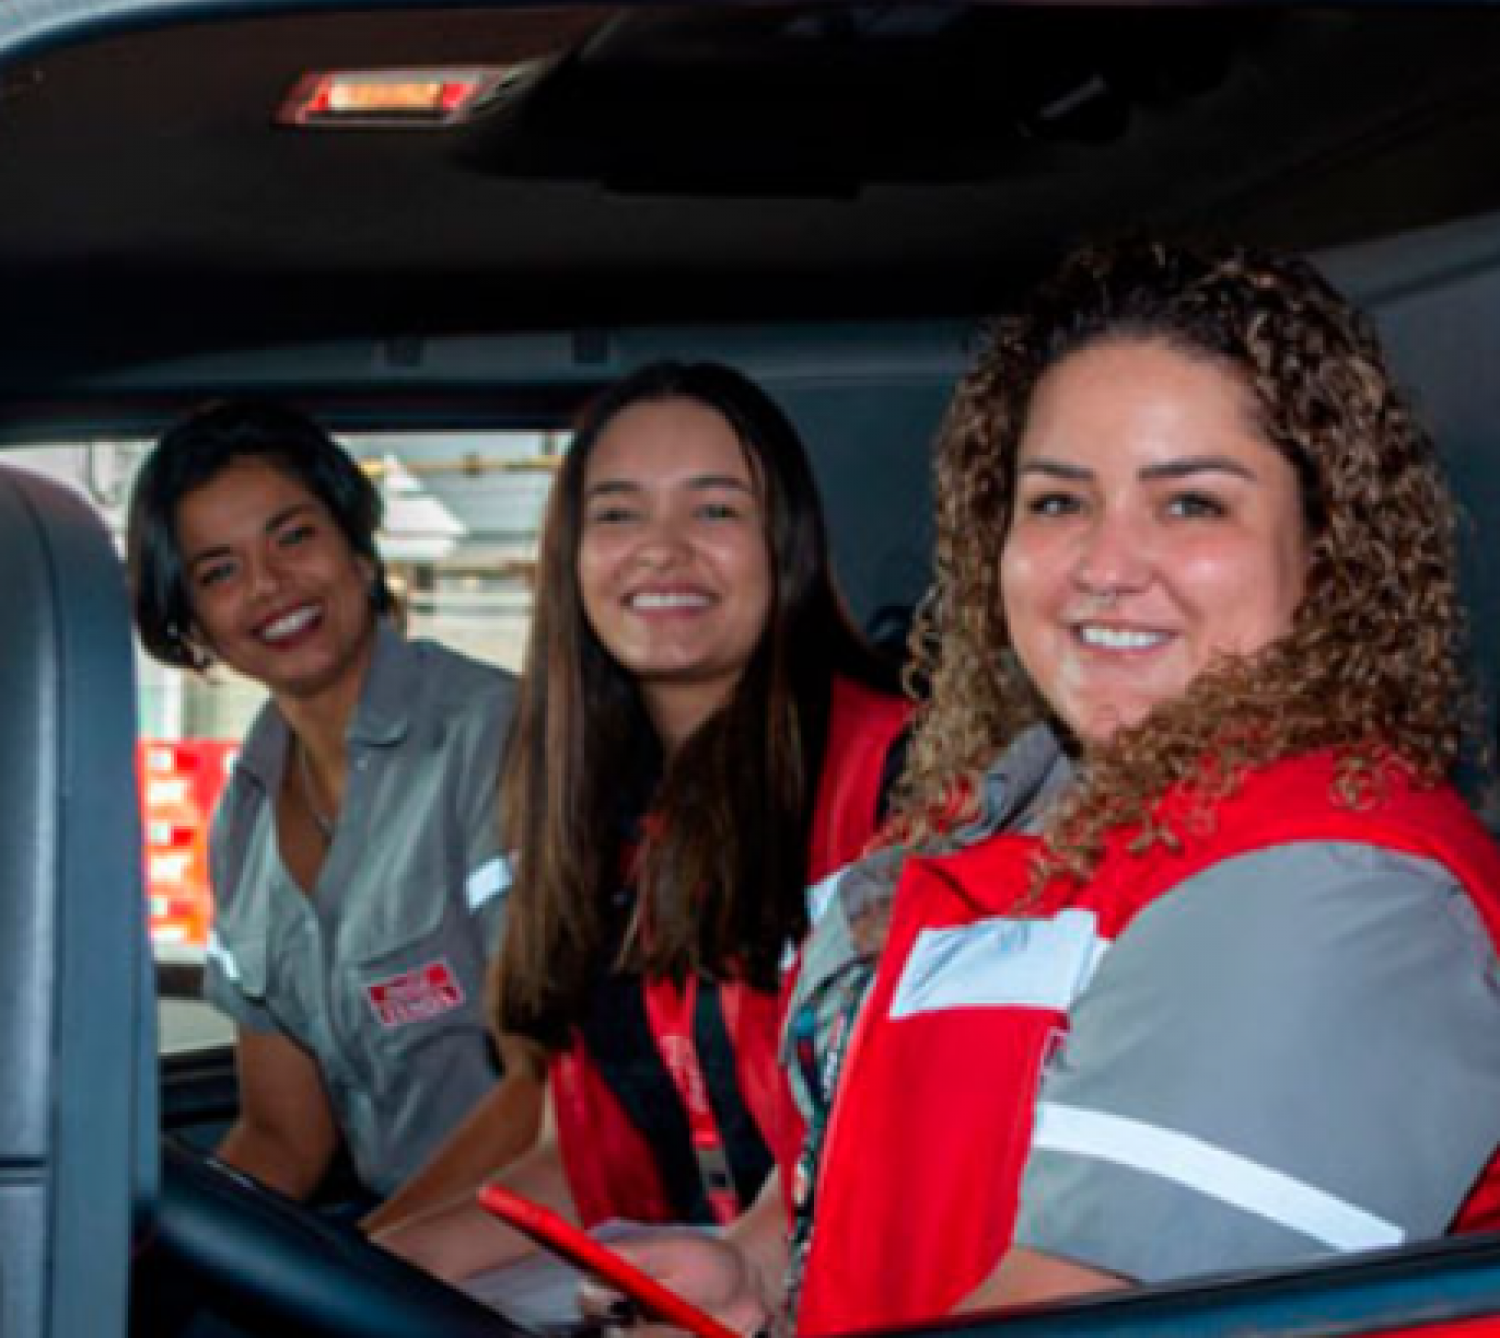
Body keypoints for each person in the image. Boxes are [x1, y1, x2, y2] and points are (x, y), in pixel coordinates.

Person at [588, 241, 1500, 1335]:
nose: (1104, 565)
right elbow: (873, 1193)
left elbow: (1082, 1314)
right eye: (1060, 502)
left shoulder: (1339, 885)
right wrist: (747, 1281)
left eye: (1192, 505)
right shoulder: (1007, 818)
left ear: (1328, 549)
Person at [376, 360, 909, 1283]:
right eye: (619, 513)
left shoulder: (900, 781)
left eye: (714, 511)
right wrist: (368, 1271)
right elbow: (583, 1165)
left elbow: (896, 1135)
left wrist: (734, 1270)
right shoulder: (598, 815)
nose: (661, 551)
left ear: (785, 542)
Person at [128, 400, 538, 1215]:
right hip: (396, 1246)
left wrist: (377, 1260)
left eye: (294, 536)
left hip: (545, 1244)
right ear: (194, 625)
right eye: (219, 571)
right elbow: (285, 1137)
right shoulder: (243, 819)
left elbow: (551, 1098)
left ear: (356, 546)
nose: (270, 585)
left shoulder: (497, 739)